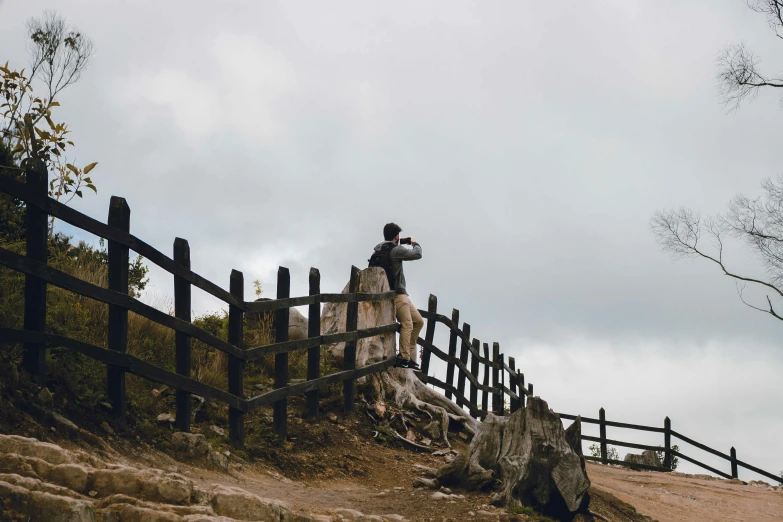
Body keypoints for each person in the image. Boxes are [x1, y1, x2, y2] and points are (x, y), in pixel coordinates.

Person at [373, 223, 423, 369]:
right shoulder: (395, 250)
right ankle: (403, 358)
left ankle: (408, 353)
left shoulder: (379, 248)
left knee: (418, 321)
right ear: (396, 236)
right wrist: (414, 242)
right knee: (407, 324)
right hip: (397, 294)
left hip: (397, 293)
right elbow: (417, 254)